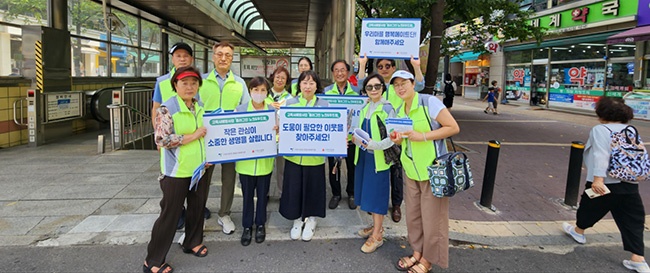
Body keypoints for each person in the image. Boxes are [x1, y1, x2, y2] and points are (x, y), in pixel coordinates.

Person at [562, 97, 649, 273]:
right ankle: (638, 259)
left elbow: (601, 154)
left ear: (602, 113)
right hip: (629, 182)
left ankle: (578, 232)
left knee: (589, 206)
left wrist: (598, 179)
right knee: (632, 218)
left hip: (605, 181)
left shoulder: (601, 129)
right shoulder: (631, 129)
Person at [389, 70, 459, 273]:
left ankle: (428, 260)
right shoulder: (400, 109)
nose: (400, 88)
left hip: (433, 171)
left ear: (413, 83)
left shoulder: (429, 102)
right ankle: (417, 252)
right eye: (396, 85)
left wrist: (424, 136)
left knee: (433, 219)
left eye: (404, 83)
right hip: (411, 170)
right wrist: (398, 139)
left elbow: (453, 127)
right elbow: (404, 138)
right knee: (413, 216)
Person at [144, 66, 209, 273]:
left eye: (194, 83)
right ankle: (153, 260)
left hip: (199, 169)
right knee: (170, 215)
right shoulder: (167, 108)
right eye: (185, 83)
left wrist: (209, 157)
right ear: (175, 85)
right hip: (176, 172)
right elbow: (161, 138)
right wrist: (193, 136)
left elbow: (207, 135)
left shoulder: (199, 106)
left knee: (197, 208)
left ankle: (192, 242)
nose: (190, 87)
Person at [357, 55, 425, 223]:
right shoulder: (370, 98)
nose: (384, 68)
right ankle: (375, 217)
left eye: (388, 65)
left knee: (396, 175)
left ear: (393, 68)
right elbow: (361, 84)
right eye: (380, 66)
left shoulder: (397, 87)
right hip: (380, 141)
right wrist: (362, 64)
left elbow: (420, 85)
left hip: (397, 135)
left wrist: (416, 66)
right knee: (376, 183)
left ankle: (395, 205)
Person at [150, 42, 206, 230]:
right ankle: (177, 213)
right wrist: (158, 134)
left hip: (196, 155)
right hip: (172, 141)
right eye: (178, 55)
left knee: (195, 188)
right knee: (173, 186)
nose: (182, 58)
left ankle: (192, 221)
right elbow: (156, 109)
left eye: (186, 55)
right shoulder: (162, 82)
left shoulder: (198, 98)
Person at [198, 41, 250, 236]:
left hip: (229, 141)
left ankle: (224, 213)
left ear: (232, 58)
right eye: (219, 54)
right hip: (206, 140)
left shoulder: (239, 83)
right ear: (213, 57)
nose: (223, 58)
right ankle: (198, 215)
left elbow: (246, 109)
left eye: (227, 55)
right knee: (203, 180)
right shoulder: (201, 81)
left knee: (229, 179)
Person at [279, 70, 330, 242]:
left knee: (314, 189)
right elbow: (281, 126)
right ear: (298, 85)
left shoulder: (324, 105)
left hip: (315, 158)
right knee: (294, 188)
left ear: (317, 86)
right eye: (304, 82)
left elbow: (330, 130)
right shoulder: (289, 103)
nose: (308, 86)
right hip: (294, 157)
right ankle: (297, 219)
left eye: (311, 83)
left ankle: (312, 220)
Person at [353, 73, 396, 253]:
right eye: (369, 87)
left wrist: (374, 145)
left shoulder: (388, 109)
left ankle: (377, 236)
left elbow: (393, 138)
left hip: (379, 160)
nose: (373, 90)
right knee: (368, 194)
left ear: (382, 88)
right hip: (364, 157)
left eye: (377, 86)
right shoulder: (365, 107)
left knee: (377, 197)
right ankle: (376, 226)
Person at [235, 76, 276, 246]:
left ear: (267, 92)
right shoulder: (240, 110)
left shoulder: (272, 111)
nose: (259, 93)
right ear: (250, 91)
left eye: (263, 90)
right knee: (247, 197)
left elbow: (279, 135)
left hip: (265, 164)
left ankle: (260, 224)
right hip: (245, 164)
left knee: (262, 196)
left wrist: (277, 130)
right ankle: (246, 226)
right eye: (255, 90)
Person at [323, 59, 361, 210]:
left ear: (348, 72)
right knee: (333, 167)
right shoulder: (326, 92)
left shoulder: (357, 91)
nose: (339, 73)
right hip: (333, 139)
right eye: (336, 70)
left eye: (342, 70)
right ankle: (336, 194)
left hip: (352, 138)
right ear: (333, 73)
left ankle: (351, 193)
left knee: (352, 166)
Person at [268, 66, 293, 196]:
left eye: (283, 78)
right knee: (265, 168)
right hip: (266, 138)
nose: (280, 80)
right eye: (278, 77)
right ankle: (264, 194)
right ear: (273, 78)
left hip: (283, 138)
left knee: (282, 168)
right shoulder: (264, 94)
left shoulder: (290, 98)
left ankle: (282, 193)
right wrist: (268, 106)